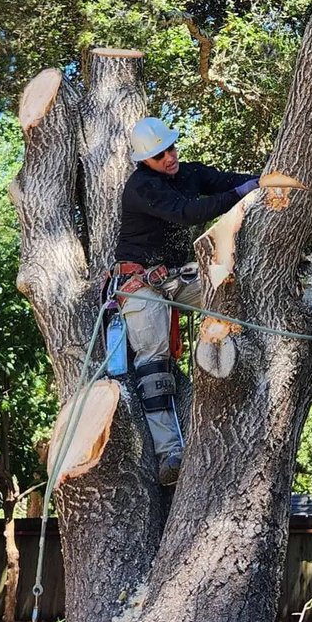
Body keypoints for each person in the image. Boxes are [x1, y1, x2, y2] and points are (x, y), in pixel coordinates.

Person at [112, 116, 259, 486]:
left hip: (177, 277)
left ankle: (230, 373)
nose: (169, 157)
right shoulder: (141, 187)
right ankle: (170, 455)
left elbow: (227, 181)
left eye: (171, 148)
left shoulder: (189, 173)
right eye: (159, 154)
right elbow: (187, 213)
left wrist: (262, 180)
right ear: (144, 160)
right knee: (154, 362)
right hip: (140, 283)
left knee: (231, 293)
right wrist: (241, 193)